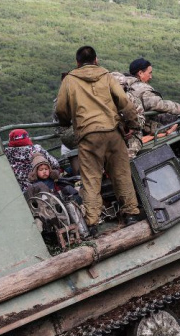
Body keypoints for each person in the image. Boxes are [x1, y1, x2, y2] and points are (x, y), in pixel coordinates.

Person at [55, 45, 141, 235]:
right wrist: (133, 124)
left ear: (77, 63)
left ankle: (93, 223)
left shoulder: (69, 80)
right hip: (112, 132)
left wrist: (66, 121)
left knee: (91, 179)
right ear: (96, 60)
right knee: (121, 173)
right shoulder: (107, 75)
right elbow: (123, 101)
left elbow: (61, 109)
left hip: (88, 136)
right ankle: (131, 214)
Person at [111, 59, 180, 158]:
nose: (151, 76)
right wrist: (177, 107)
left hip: (119, 124)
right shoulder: (142, 88)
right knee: (179, 120)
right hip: (137, 125)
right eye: (149, 73)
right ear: (140, 73)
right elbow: (156, 104)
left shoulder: (121, 82)